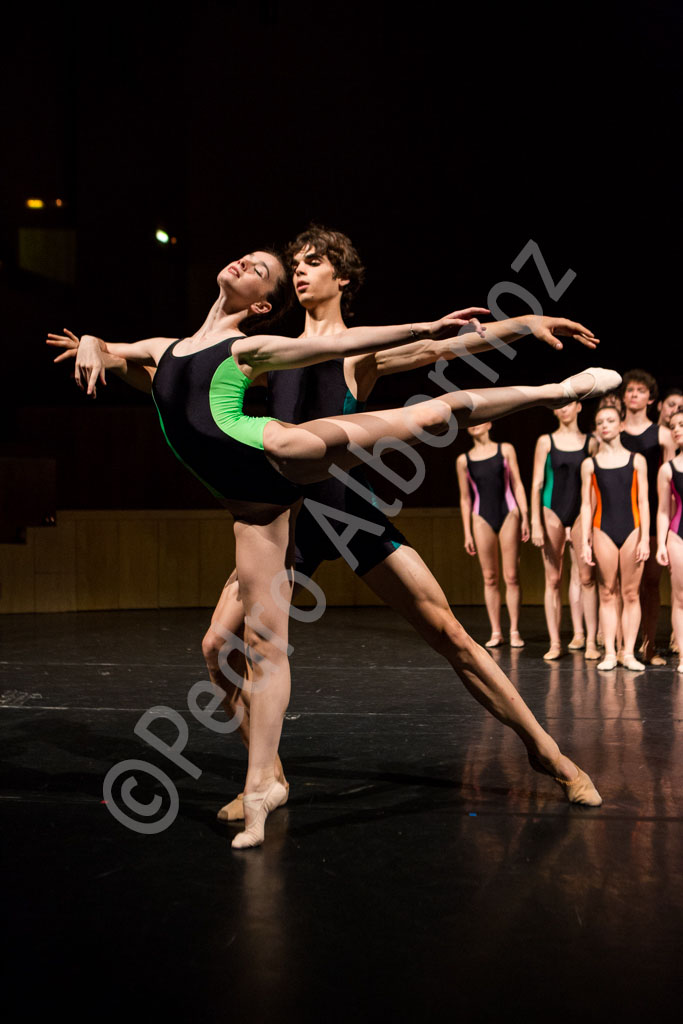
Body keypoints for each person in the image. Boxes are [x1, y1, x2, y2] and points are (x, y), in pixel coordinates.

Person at [49, 246, 619, 847]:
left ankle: (549, 754)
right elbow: (178, 384)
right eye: (293, 262)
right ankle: (267, 776)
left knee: (450, 635)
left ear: (342, 279)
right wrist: (98, 346)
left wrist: (523, 323)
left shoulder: (358, 350)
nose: (300, 269)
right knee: (218, 647)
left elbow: (446, 345)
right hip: (287, 512)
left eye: (313, 261)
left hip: (345, 510)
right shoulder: (266, 351)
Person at [580, 404, 650, 671]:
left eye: (610, 421)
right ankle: (610, 652)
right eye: (600, 422)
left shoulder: (637, 460)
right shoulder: (590, 464)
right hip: (603, 529)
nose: (605, 426)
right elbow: (587, 505)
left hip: (632, 529)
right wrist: (585, 540)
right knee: (607, 592)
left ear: (621, 425)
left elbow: (643, 501)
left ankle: (628, 653)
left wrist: (645, 538)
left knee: (631, 593)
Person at [530, 402, 599, 660]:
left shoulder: (591, 443)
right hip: (552, 512)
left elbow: (594, 485)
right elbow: (537, 483)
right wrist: (535, 521)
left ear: (579, 407)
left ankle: (591, 642)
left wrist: (590, 523)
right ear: (554, 411)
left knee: (587, 579)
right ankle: (555, 643)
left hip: (581, 513)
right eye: (559, 406)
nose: (564, 409)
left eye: (568, 404)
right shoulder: (545, 442)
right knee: (553, 580)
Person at [456, 424, 528, 648]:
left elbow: (517, 484)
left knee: (511, 575)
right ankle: (496, 631)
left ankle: (514, 630)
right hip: (481, 517)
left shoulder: (505, 449)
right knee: (489, 577)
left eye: (480, 420)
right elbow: (465, 498)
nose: (475, 425)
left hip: (509, 513)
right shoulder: (463, 460)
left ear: (489, 423)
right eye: (471, 422)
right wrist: (467, 532)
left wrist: (525, 516)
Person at [621, 370, 675, 664]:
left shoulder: (662, 435)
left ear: (651, 398)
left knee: (651, 584)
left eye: (640, 391)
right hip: (620, 514)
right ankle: (621, 647)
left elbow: (671, 482)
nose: (634, 395)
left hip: (653, 514)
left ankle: (649, 645)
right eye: (630, 390)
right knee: (623, 587)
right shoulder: (613, 431)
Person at [656, 409, 683, 672]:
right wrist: (661, 544)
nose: (676, 430)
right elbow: (663, 510)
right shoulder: (668, 469)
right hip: (678, 536)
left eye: (682, 425)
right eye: (673, 426)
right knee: (680, 598)